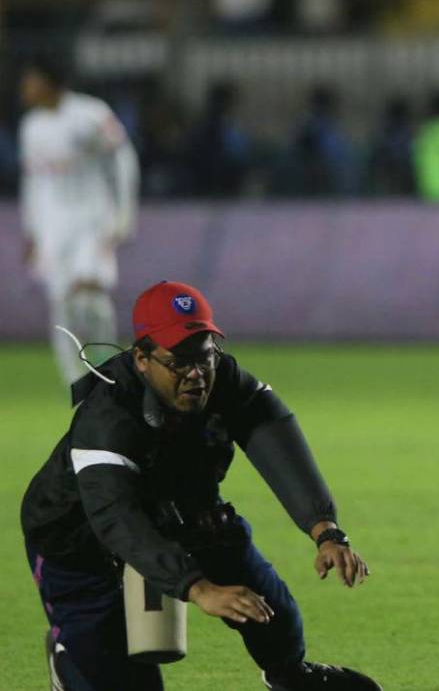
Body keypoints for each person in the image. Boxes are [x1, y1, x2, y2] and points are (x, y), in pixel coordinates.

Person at [21, 280, 379, 691]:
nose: (196, 374)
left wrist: (325, 530)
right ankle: (69, 661)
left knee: (271, 610)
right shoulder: (107, 418)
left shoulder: (220, 376)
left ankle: (290, 676)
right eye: (179, 361)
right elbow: (117, 518)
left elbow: (274, 436)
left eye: (204, 356)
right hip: (82, 544)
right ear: (141, 358)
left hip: (184, 514)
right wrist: (198, 587)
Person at [18, 56, 140, 389]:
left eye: (30, 80)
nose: (24, 88)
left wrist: (125, 212)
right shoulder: (31, 126)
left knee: (90, 294)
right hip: (52, 226)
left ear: (48, 81)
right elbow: (32, 181)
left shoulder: (91, 115)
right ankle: (76, 381)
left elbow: (123, 160)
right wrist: (31, 231)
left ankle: (107, 368)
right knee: (62, 303)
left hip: (92, 217)